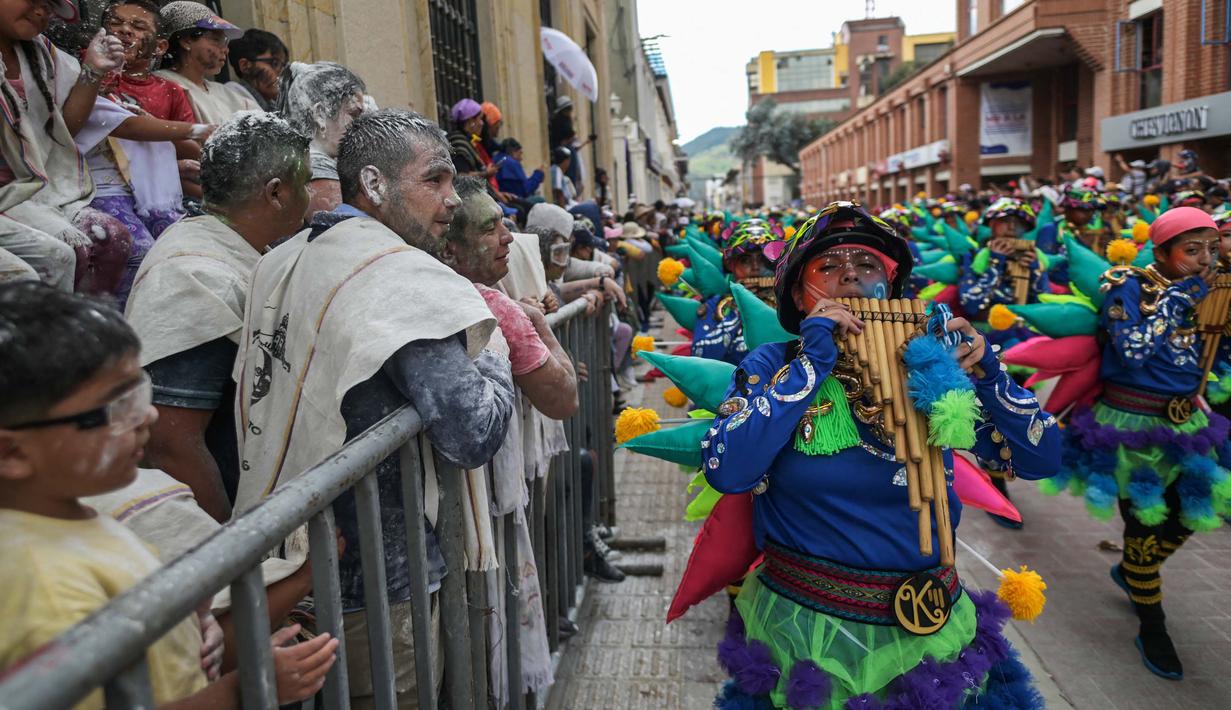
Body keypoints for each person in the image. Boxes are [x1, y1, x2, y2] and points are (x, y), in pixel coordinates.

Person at [702, 202, 1059, 708]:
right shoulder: (773, 366)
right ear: (801, 299)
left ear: (890, 288)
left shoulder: (930, 367)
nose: (851, 273)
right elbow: (728, 469)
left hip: (932, 621)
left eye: (867, 264)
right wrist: (813, 362)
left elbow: (1040, 458)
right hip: (813, 630)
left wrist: (990, 375)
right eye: (828, 266)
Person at [234, 108, 515, 708]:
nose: (451, 201)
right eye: (435, 181)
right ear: (375, 184)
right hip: (378, 583)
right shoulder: (399, 275)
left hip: (283, 559)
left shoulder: (280, 257)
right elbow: (472, 433)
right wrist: (498, 347)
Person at [0, 282, 339, 708]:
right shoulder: (47, 593)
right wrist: (240, 691)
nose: (150, 415)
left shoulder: (66, 516)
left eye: (138, 391)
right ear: (12, 453)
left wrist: (189, 629)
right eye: (116, 407)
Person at [1054, 207, 1229, 681]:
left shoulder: (1212, 290)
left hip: (1187, 422)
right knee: (1142, 527)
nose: (1204, 260)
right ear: (1162, 251)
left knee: (1194, 512)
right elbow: (1131, 352)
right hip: (1130, 425)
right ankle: (1153, 626)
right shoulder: (1128, 284)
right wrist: (1177, 300)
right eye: (1191, 251)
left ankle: (1134, 571)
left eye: (1211, 249)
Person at [126, 112, 310, 522]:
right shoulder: (193, 277)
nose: (311, 199)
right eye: (307, 184)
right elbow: (171, 445)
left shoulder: (241, 247)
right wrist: (234, 555)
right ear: (277, 193)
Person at [0, 0, 139, 296]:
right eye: (33, 0)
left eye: (49, 6)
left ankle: (89, 325)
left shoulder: (43, 53)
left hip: (38, 186)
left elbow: (64, 130)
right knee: (62, 254)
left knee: (112, 239)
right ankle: (57, 335)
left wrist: (92, 70)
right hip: (9, 194)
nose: (41, 11)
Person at [99, 0, 207, 201]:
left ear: (160, 46)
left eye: (138, 26)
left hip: (157, 188)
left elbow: (193, 151)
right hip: (105, 184)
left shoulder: (170, 90)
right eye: (115, 23)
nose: (124, 30)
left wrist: (153, 129)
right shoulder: (91, 75)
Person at [278, 61, 366, 216]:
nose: (361, 126)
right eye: (353, 115)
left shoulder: (300, 160)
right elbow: (347, 233)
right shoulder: (315, 169)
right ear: (320, 114)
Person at [156, 2, 258, 125]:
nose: (225, 49)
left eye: (225, 42)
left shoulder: (226, 93)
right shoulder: (161, 85)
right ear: (186, 41)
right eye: (216, 40)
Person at [225, 28, 286, 111]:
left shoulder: (273, 106)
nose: (283, 72)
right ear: (245, 65)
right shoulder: (232, 97)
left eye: (284, 65)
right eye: (275, 63)